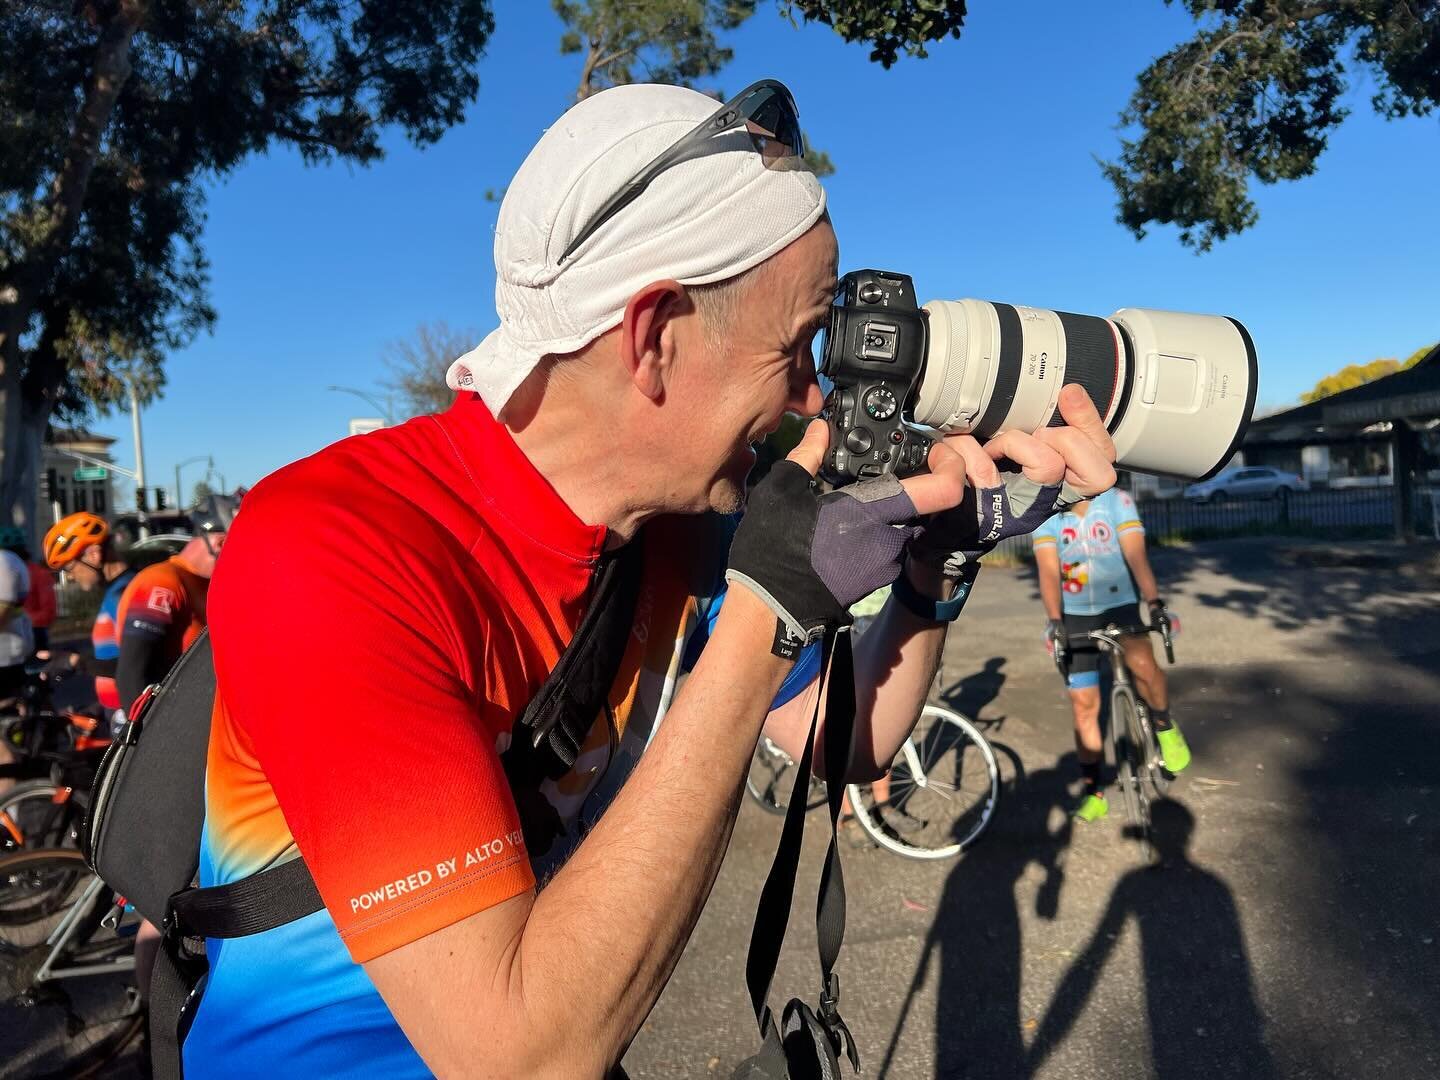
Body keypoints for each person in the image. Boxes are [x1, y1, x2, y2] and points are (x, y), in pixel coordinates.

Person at [187, 81, 1116, 1076]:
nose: (813, 397)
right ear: (655, 336)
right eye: (795, 346)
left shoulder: (679, 530)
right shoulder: (334, 548)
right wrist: (767, 615)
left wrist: (937, 565)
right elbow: (516, 1058)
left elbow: (846, 742)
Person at [1032, 487, 1190, 823]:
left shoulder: (1117, 501)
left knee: (1143, 664)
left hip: (1120, 604)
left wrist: (1154, 604)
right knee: (1084, 705)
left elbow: (1135, 555)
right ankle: (1094, 792)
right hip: (1075, 614)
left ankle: (1164, 725)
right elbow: (1048, 571)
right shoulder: (1047, 512)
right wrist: (1055, 620)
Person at [113, 494, 232, 713]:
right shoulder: (162, 582)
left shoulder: (213, 585)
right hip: (172, 722)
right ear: (220, 543)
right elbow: (131, 675)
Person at [41, 511, 144, 723]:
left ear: (93, 555)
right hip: (120, 713)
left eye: (69, 567)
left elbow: (138, 664)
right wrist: (99, 708)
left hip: (136, 716)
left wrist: (76, 662)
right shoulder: (114, 592)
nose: (70, 577)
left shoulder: (126, 593)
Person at [0, 525, 35, 796]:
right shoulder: (11, 560)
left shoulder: (4, 561)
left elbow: (3, 610)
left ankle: (7, 809)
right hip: (11, 656)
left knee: (3, 747)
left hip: (4, 661)